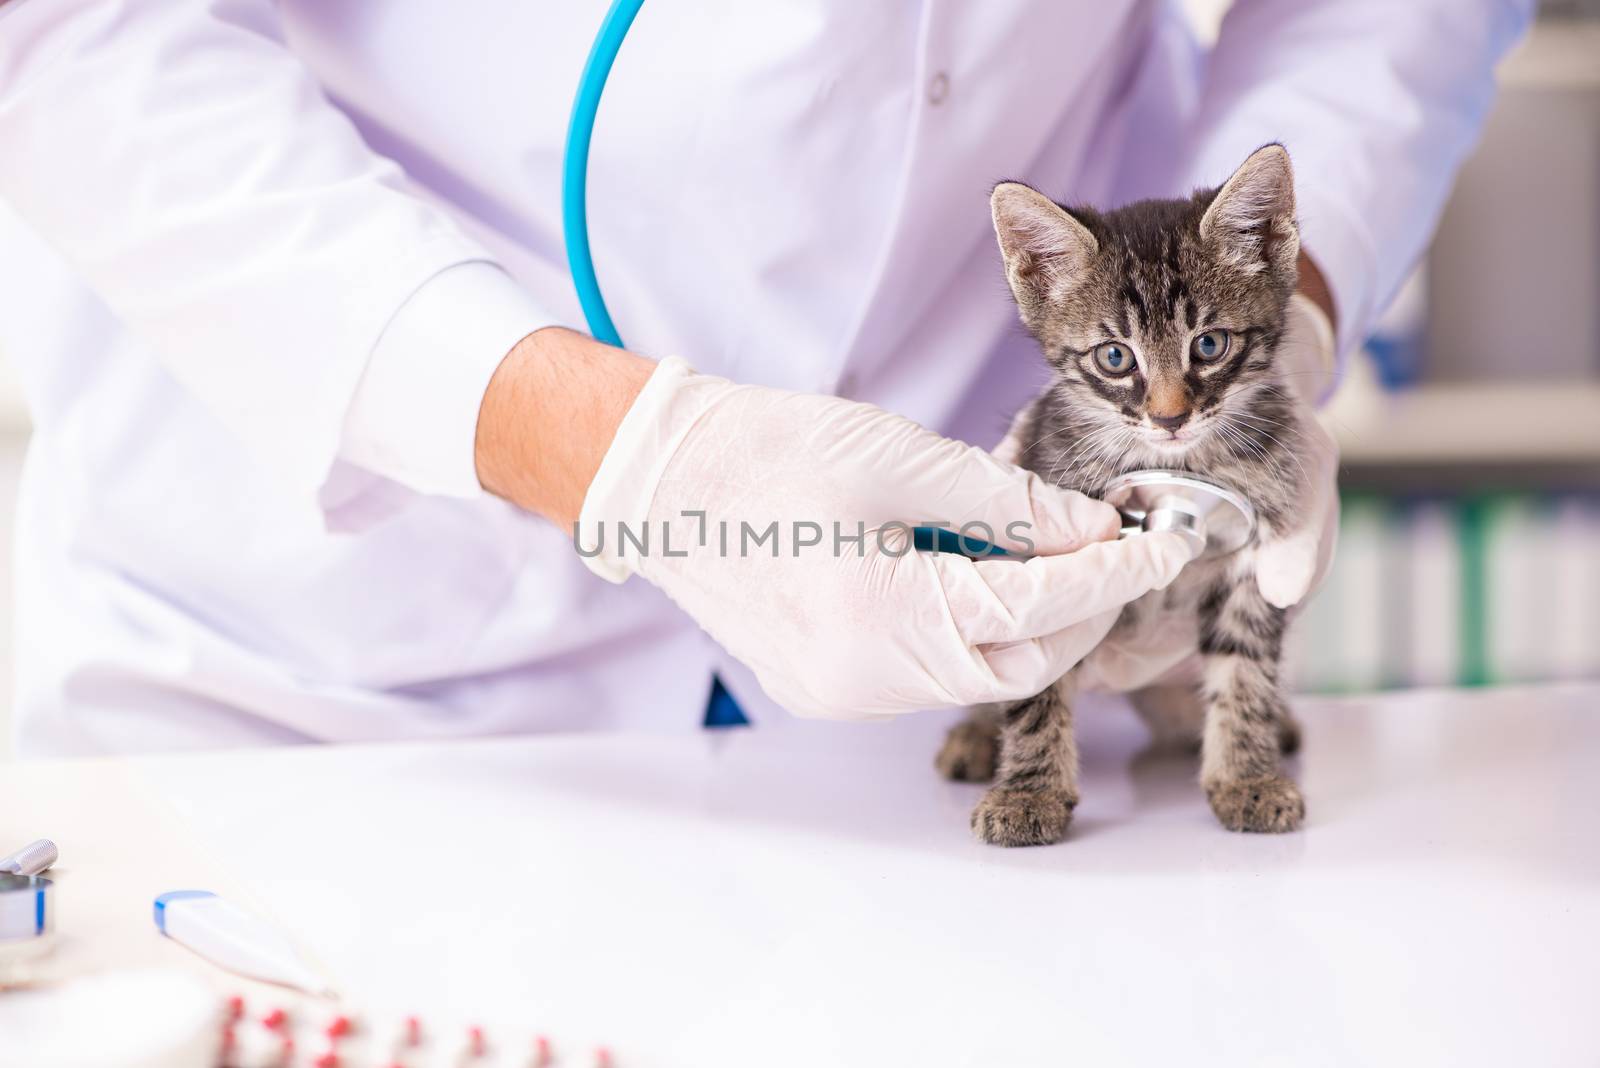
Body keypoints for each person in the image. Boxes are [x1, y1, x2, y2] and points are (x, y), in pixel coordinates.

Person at [0, 1, 1530, 753]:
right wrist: (626, 458)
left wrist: (1287, 313)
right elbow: (85, 33)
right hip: (324, 676)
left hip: (963, 630)